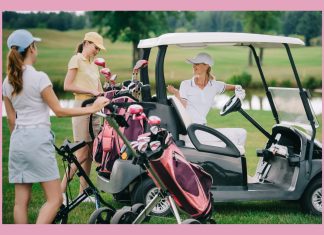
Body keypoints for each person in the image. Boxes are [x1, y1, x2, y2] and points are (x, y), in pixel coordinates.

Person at [2, 29, 110, 224]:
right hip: (38, 142)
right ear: (32, 49)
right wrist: (91, 108)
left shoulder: (6, 82)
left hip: (17, 143)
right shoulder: (40, 78)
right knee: (55, 199)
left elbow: (11, 120)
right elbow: (59, 110)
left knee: (20, 203)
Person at [60, 32, 107, 203]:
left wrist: (105, 93)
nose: (97, 51)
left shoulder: (94, 65)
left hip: (94, 109)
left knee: (90, 152)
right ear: (87, 43)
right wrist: (92, 92)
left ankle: (83, 193)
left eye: (99, 49)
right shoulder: (76, 59)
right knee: (81, 154)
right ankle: (60, 192)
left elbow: (99, 88)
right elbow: (67, 85)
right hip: (81, 108)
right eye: (96, 47)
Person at [167, 52, 247, 148]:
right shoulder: (186, 84)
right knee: (240, 134)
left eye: (197, 64)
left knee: (240, 135)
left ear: (206, 66)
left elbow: (235, 87)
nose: (194, 66)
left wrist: (239, 92)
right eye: (194, 64)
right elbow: (183, 106)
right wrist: (176, 93)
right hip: (191, 131)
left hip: (202, 129)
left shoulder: (214, 85)